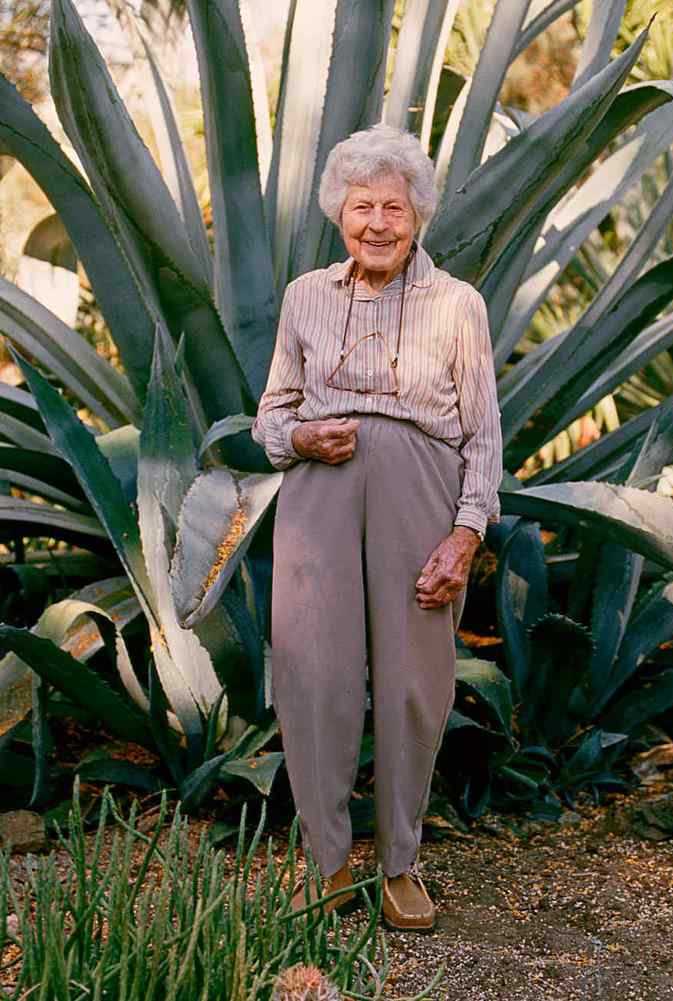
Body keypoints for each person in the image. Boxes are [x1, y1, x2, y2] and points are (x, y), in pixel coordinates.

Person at [251, 124, 502, 931]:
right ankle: (326, 860)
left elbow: (484, 438)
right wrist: (300, 437)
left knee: (413, 683)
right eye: (363, 207)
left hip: (419, 496)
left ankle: (399, 863)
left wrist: (465, 535)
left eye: (394, 207)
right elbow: (269, 416)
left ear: (417, 214)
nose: (378, 224)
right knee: (314, 676)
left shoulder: (458, 305)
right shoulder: (306, 296)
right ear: (340, 213)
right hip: (319, 495)